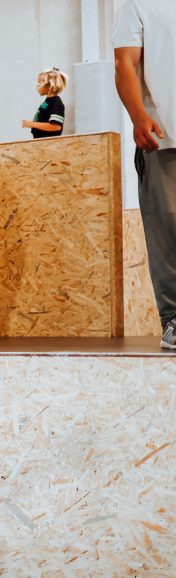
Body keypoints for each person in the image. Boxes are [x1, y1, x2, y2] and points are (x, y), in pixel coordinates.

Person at [115, 0, 176, 349]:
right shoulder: (138, 3)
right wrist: (138, 116)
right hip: (164, 136)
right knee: (167, 234)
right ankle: (173, 320)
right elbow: (125, 62)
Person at [22, 68, 67, 139]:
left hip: (49, 144)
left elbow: (56, 126)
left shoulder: (56, 102)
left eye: (40, 83)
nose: (37, 85)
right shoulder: (48, 101)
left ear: (50, 86)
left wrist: (32, 124)